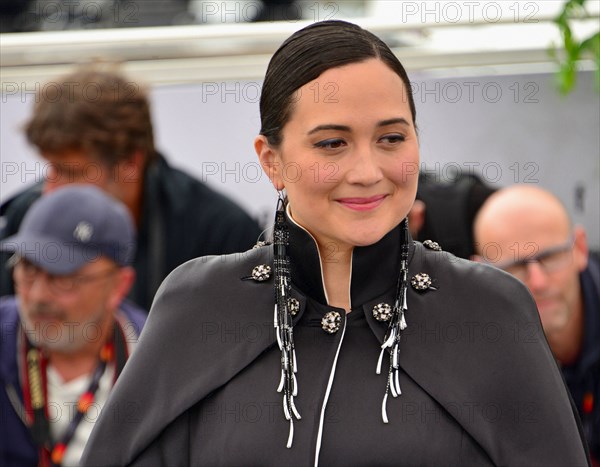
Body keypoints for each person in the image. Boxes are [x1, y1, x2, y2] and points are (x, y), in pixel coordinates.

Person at [81, 20, 589, 466]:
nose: (368, 172)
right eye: (331, 143)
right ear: (270, 159)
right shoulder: (198, 301)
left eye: (391, 138)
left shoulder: (491, 311)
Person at [0, 65, 263, 310]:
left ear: (130, 164)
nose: (50, 190)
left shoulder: (220, 234)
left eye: (71, 172)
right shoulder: (24, 218)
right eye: (50, 168)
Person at [0, 185, 147, 466]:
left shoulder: (158, 364)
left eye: (62, 277)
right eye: (28, 269)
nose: (39, 296)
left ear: (119, 285)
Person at [473, 184, 599, 463]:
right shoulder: (469, 360)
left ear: (579, 248)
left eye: (550, 257)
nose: (538, 282)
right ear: (479, 273)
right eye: (514, 267)